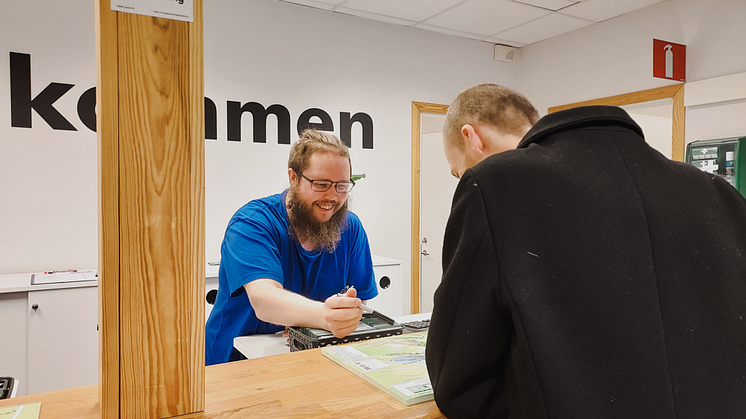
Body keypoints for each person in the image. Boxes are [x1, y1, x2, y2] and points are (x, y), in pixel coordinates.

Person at [425, 84, 746, 418]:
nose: (462, 176)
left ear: (472, 139)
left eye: (457, 170)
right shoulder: (719, 194)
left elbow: (459, 380)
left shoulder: (493, 185)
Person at [205, 129, 378, 365]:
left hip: (306, 359)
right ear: (293, 177)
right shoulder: (252, 223)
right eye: (321, 184)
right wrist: (323, 317)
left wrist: (323, 321)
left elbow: (359, 301)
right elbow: (264, 300)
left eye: (342, 186)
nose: (333, 197)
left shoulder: (350, 227)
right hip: (235, 364)